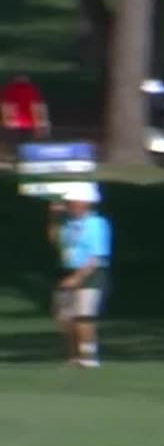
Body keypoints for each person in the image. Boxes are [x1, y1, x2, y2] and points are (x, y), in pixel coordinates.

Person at [47, 181, 112, 368]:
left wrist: (78, 277)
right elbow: (55, 240)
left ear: (84, 203)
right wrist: (53, 218)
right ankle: (73, 355)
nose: (69, 205)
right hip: (67, 270)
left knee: (84, 315)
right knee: (63, 316)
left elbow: (97, 256)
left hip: (91, 272)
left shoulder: (96, 224)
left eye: (72, 202)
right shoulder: (68, 224)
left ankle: (89, 356)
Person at [2, 73, 49, 153]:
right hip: (24, 123)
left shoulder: (11, 89)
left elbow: (6, 105)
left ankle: (15, 153)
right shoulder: (31, 89)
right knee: (23, 143)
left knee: (17, 143)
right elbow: (37, 106)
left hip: (18, 123)